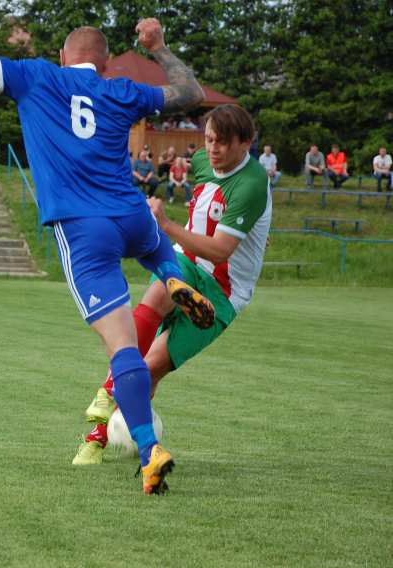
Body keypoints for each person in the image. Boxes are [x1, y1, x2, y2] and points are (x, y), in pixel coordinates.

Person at [0, 19, 214, 494]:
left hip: (84, 229)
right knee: (156, 253)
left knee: (123, 349)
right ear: (107, 63)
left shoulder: (37, 75)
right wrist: (160, 48)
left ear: (61, 55)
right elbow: (189, 92)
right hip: (133, 216)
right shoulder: (122, 89)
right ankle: (171, 275)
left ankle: (150, 448)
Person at [73, 104, 272, 467]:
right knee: (150, 304)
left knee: (148, 371)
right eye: (209, 139)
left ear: (247, 143)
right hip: (186, 261)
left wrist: (166, 226)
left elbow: (221, 248)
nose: (213, 149)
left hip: (223, 291)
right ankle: (99, 428)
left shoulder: (252, 183)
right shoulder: (201, 162)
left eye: (223, 143)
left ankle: (124, 419)